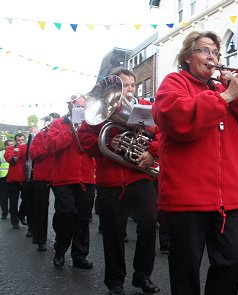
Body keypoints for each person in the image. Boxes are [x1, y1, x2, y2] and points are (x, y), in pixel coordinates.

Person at [153, 31, 238, 295]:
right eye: (204, 51)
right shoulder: (174, 82)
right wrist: (225, 97)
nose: (212, 57)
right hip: (188, 197)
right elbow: (178, 120)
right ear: (188, 57)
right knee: (185, 270)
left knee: (235, 258)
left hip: (229, 197)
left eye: (215, 52)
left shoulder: (223, 90)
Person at [78, 68, 160, 295]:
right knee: (113, 232)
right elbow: (84, 137)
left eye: (132, 85)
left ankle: (143, 276)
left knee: (149, 222)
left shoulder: (147, 107)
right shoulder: (101, 109)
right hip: (110, 181)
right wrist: (108, 143)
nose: (129, 89)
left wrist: (152, 151)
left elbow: (163, 133)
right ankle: (115, 282)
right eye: (124, 85)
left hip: (139, 177)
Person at [46, 95, 96, 269]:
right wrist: (70, 131)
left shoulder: (90, 123)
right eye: (79, 107)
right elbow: (51, 146)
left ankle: (79, 256)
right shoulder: (58, 124)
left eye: (84, 107)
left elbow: (95, 147)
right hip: (63, 180)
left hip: (87, 179)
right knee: (66, 215)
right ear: (71, 107)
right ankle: (60, 250)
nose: (82, 110)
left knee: (83, 219)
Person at [29, 113, 59, 251]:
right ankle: (40, 240)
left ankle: (60, 239)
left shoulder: (61, 134)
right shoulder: (40, 136)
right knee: (40, 209)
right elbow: (34, 155)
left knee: (63, 210)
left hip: (59, 176)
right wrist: (47, 147)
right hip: (41, 177)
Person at [4, 133, 27, 229]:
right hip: (13, 179)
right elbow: (10, 159)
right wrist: (16, 153)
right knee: (13, 202)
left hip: (25, 178)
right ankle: (14, 221)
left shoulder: (28, 147)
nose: (21, 142)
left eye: (22, 140)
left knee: (26, 200)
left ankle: (21, 214)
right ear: (15, 141)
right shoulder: (10, 148)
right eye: (18, 140)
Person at [0, 139, 13, 220]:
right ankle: (4, 212)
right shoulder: (1, 153)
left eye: (12, 144)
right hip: (3, 177)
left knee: (13, 196)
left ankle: (12, 211)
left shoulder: (16, 151)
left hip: (13, 177)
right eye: (9, 145)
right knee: (3, 196)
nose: (11, 146)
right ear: (5, 146)